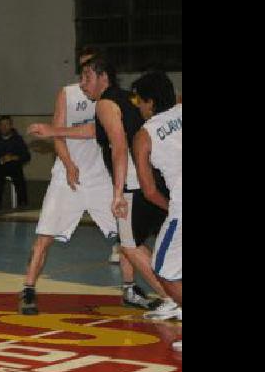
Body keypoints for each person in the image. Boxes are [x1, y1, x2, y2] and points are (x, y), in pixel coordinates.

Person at [27, 56, 174, 316]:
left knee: (130, 245)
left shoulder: (105, 102)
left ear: (103, 77)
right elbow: (94, 131)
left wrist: (117, 193)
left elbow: (118, 147)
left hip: (134, 182)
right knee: (155, 240)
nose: (83, 84)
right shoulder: (125, 98)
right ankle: (157, 293)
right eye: (81, 77)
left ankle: (171, 298)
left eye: (88, 77)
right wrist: (53, 132)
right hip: (158, 175)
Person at [17, 50, 124, 315]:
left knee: (127, 237)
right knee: (44, 237)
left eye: (90, 65)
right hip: (68, 176)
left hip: (100, 177)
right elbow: (57, 133)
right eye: (83, 66)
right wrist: (68, 164)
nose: (85, 69)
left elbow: (102, 133)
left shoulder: (110, 98)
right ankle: (28, 289)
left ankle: (131, 287)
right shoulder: (68, 93)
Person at [130, 71, 182, 343]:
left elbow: (149, 190)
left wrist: (173, 206)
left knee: (164, 271)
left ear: (150, 102)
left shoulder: (144, 135)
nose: (137, 105)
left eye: (139, 100)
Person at [0, 115, 30, 209]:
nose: (4, 127)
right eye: (2, 124)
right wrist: (1, 158)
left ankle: (22, 201)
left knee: (18, 172)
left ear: (11, 126)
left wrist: (13, 157)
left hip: (13, 165)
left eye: (6, 124)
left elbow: (26, 155)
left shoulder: (17, 139)